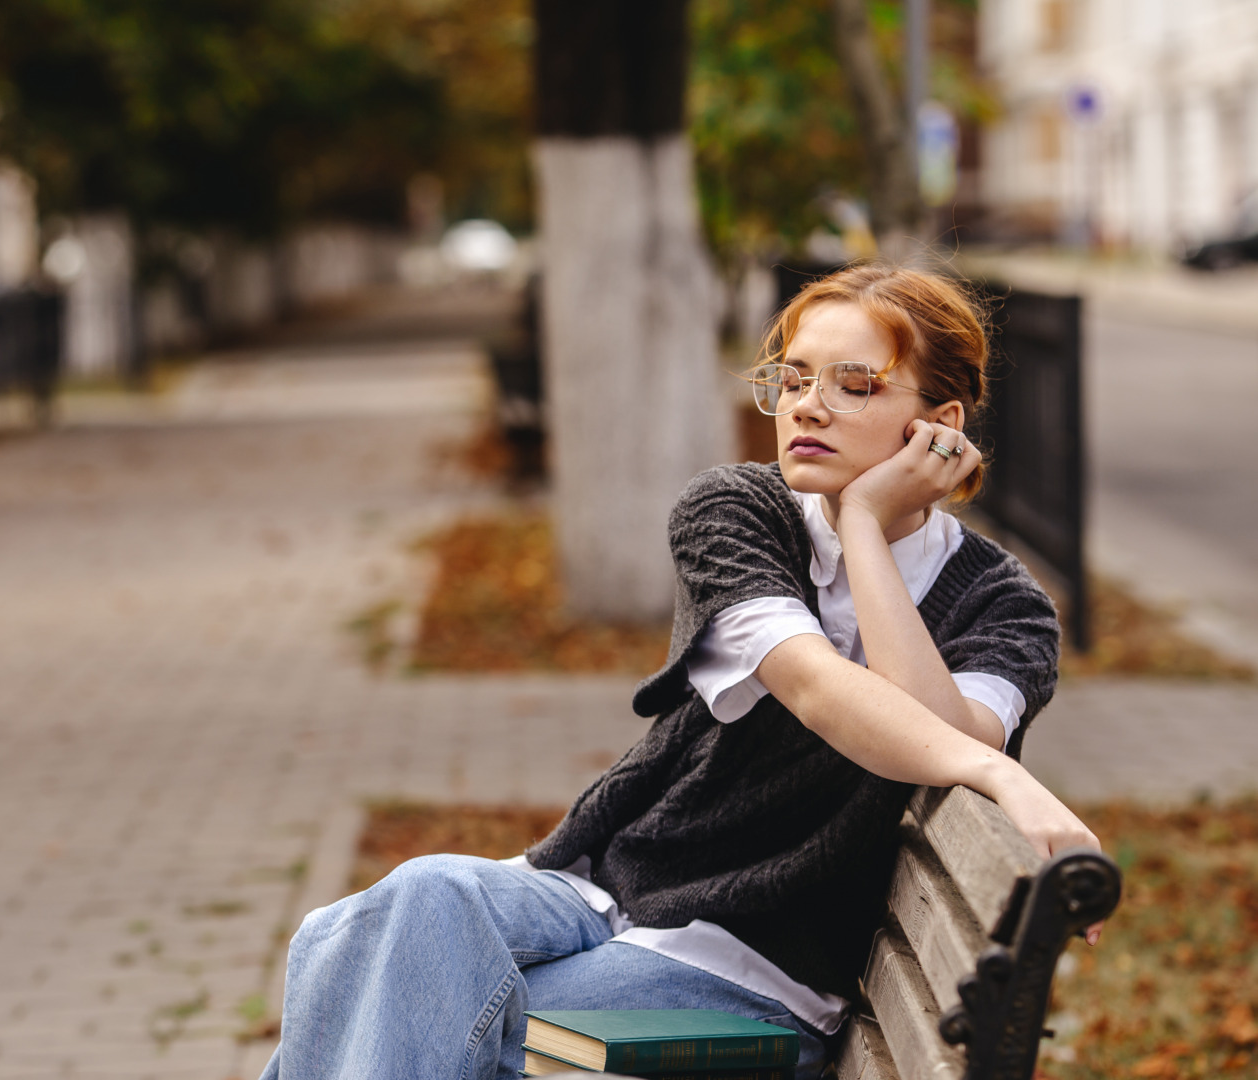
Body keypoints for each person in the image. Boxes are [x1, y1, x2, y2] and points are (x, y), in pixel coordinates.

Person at [258, 265, 1101, 1080]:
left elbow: (933, 730)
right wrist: (1002, 775)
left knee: (366, 981)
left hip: (749, 970)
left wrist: (868, 530)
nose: (809, 406)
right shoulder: (736, 509)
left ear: (939, 423)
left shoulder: (1004, 606)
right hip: (606, 897)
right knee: (403, 908)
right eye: (796, 378)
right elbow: (809, 685)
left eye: (855, 385)